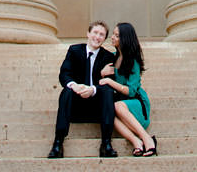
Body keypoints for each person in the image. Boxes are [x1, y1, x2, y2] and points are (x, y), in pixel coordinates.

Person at [48, 20, 118, 158]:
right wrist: (75, 85)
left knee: (108, 91)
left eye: (101, 35)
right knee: (66, 91)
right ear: (88, 33)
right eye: (95, 33)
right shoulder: (74, 51)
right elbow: (64, 74)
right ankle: (58, 143)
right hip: (76, 103)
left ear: (104, 39)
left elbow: (112, 82)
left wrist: (93, 89)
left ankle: (106, 144)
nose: (97, 37)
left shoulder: (108, 57)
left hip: (97, 106)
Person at [97, 22, 157, 157]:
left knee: (116, 106)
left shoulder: (133, 61)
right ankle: (136, 141)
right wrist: (102, 74)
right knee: (108, 111)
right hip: (122, 106)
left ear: (124, 39)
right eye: (113, 34)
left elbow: (131, 91)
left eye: (116, 36)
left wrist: (109, 81)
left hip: (136, 104)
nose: (112, 37)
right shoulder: (114, 57)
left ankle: (147, 139)